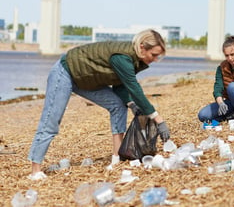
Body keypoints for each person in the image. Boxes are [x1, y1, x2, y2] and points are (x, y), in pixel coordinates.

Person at [28, 29, 171, 180]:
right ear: (142, 47)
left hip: (85, 80)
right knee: (51, 119)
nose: (155, 59)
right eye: (154, 55)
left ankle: (117, 159)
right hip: (66, 72)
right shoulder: (123, 57)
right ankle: (35, 170)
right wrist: (157, 118)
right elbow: (134, 88)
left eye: (158, 56)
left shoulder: (135, 58)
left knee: (118, 105)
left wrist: (130, 103)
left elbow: (120, 84)